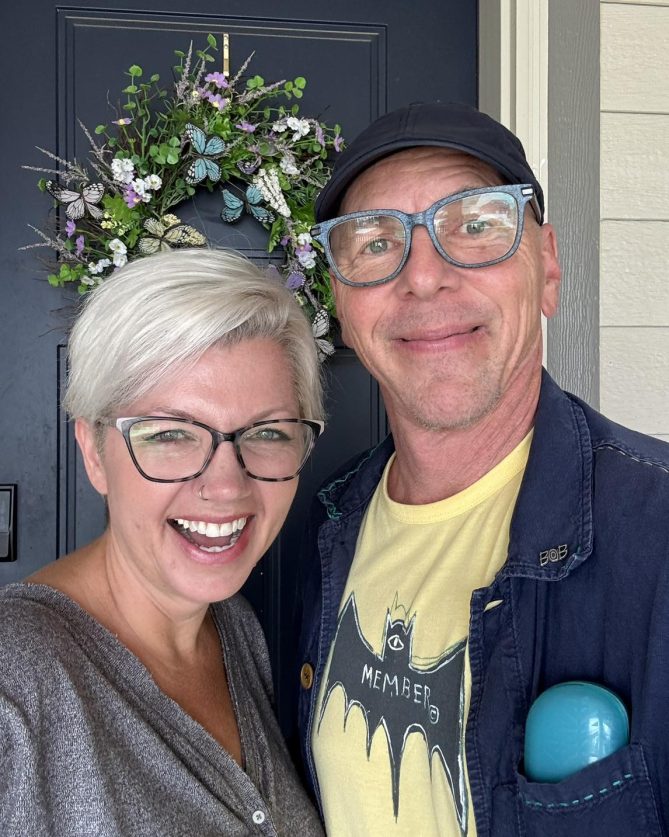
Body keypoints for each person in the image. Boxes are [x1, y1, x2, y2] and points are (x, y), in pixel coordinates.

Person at [295, 102, 669, 836]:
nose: (424, 278)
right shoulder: (319, 526)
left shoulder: (657, 533)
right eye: (373, 243)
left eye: (474, 225)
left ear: (548, 263)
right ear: (341, 303)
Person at [0, 248, 325, 835]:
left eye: (268, 431)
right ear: (94, 452)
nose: (227, 487)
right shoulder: (14, 683)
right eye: (171, 434)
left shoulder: (233, 628)